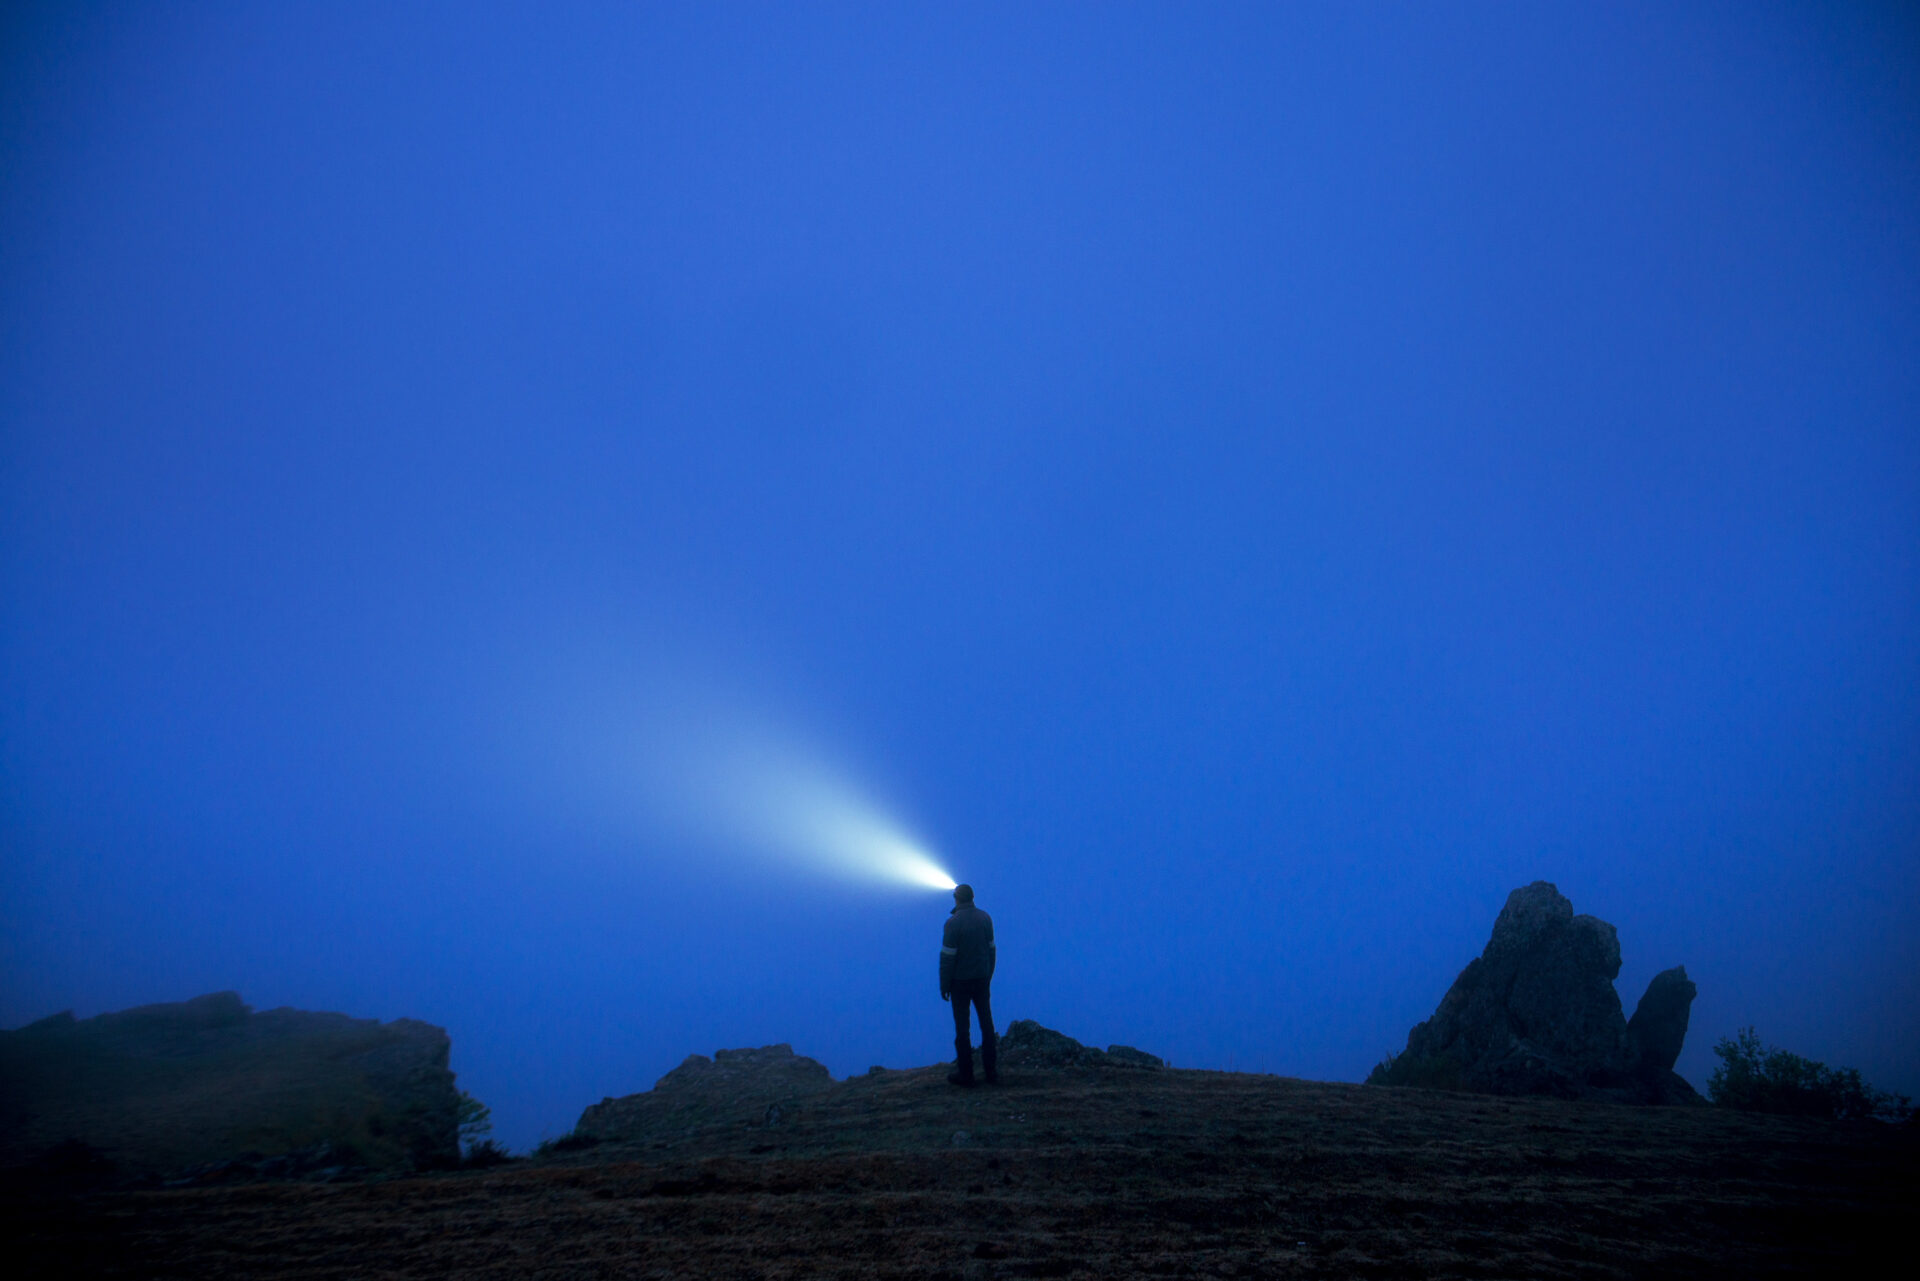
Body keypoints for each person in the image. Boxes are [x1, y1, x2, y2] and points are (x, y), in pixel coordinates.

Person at [940, 883, 997, 1086]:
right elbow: (992, 950)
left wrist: (944, 985)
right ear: (972, 897)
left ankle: (967, 1075)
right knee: (987, 1025)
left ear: (957, 898)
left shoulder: (952, 923)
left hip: (960, 983)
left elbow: (947, 958)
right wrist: (987, 976)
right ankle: (991, 1072)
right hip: (981, 980)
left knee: (963, 1029)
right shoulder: (985, 918)